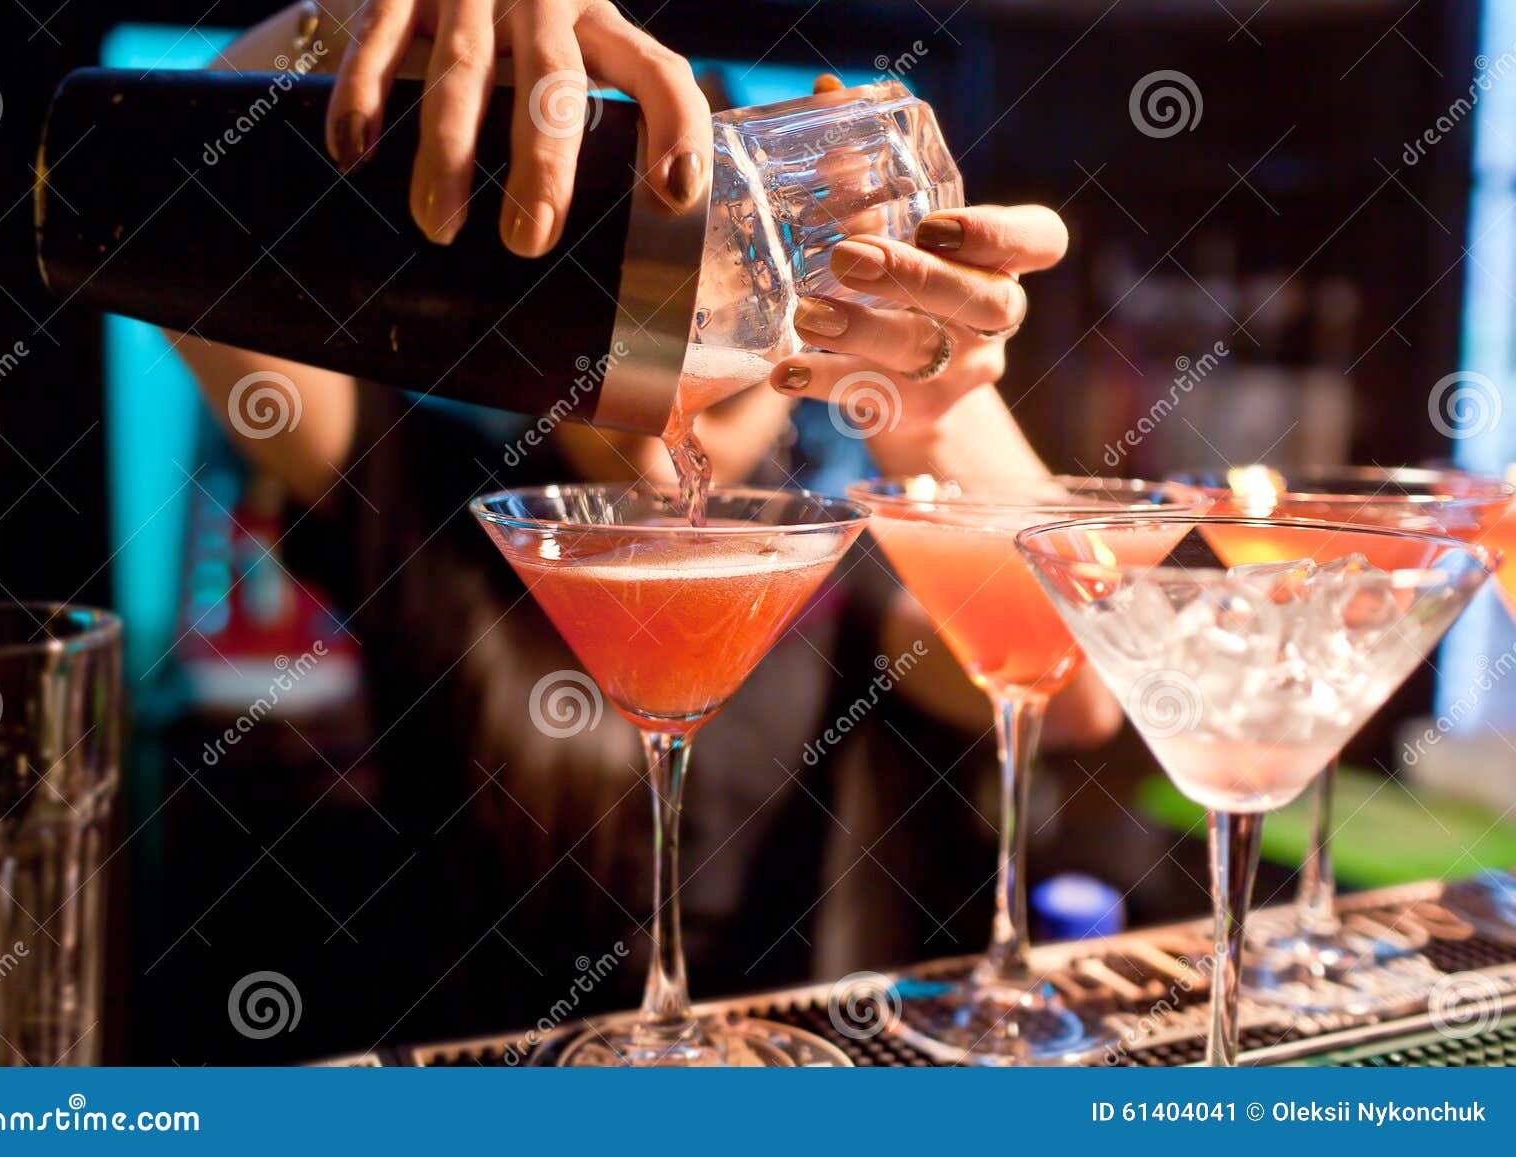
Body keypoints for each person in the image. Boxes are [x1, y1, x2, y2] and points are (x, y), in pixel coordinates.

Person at [173, 0, 1121, 1045]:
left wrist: (939, 410)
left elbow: (1071, 693)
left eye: (707, 291)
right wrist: (346, 25)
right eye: (607, 290)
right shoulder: (428, 489)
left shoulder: (833, 537)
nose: (658, 414)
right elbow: (164, 199)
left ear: (783, 296)